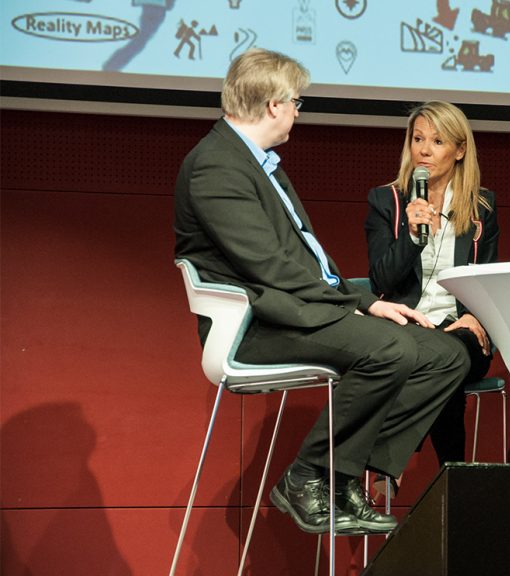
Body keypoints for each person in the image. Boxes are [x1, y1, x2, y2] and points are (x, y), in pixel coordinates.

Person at [173, 49, 469, 536]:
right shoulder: (216, 167)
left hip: (295, 309)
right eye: (296, 102)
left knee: (444, 356)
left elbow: (308, 261)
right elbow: (268, 266)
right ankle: (308, 474)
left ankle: (342, 473)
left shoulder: (257, 162)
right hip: (257, 326)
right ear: (273, 105)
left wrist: (366, 302)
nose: (297, 111)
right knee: (389, 346)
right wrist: (354, 306)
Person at [365, 101, 499, 467]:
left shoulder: (481, 206)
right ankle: (453, 476)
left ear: (459, 150)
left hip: (464, 331)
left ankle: (388, 461)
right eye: (418, 138)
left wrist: (475, 316)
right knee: (444, 360)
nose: (424, 150)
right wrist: (410, 235)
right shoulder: (387, 201)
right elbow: (382, 280)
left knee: (451, 353)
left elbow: (486, 278)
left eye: (438, 141)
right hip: (407, 328)